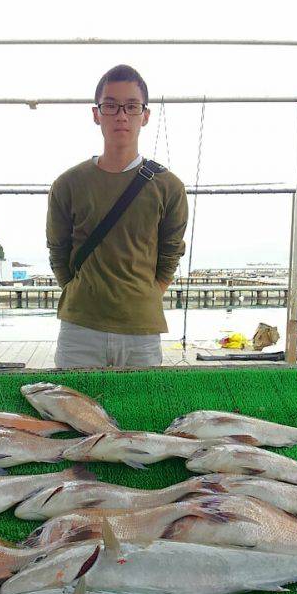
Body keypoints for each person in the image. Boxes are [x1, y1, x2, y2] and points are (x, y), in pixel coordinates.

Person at [46, 64, 188, 369]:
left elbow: (170, 253)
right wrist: (77, 291)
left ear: (145, 115)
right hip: (80, 330)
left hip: (142, 331)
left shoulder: (169, 187)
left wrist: (145, 295)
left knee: (141, 414)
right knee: (70, 414)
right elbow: (58, 251)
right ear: (96, 113)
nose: (121, 115)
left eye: (131, 106)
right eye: (110, 105)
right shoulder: (67, 184)